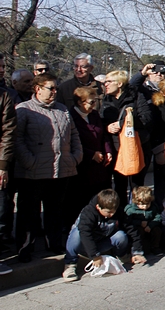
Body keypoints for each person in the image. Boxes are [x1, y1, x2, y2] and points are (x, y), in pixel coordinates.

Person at [15, 72, 83, 261]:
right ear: (38, 89)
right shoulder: (24, 110)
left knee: (54, 210)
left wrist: (75, 157)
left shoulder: (62, 109)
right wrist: (30, 161)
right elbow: (17, 139)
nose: (54, 92)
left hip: (61, 169)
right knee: (28, 213)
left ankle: (54, 243)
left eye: (56, 88)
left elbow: (74, 134)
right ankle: (24, 248)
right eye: (50, 88)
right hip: (33, 172)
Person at [62, 189, 145, 281]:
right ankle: (70, 265)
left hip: (101, 243)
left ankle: (122, 256)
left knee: (121, 236)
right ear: (98, 207)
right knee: (77, 232)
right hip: (84, 245)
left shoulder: (119, 212)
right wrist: (95, 256)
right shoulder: (88, 212)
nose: (112, 214)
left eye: (114, 211)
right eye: (108, 212)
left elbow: (131, 229)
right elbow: (85, 234)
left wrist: (137, 251)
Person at [100, 70, 152, 205]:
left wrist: (124, 123)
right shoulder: (105, 100)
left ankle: (138, 212)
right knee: (119, 185)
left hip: (137, 147)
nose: (105, 84)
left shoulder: (136, 96)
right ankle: (121, 213)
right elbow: (100, 121)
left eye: (109, 81)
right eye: (105, 82)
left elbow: (146, 118)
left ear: (119, 84)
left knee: (137, 186)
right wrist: (107, 127)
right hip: (117, 148)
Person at [69, 86, 113, 222]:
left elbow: (103, 134)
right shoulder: (71, 116)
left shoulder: (94, 115)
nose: (94, 105)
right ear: (80, 102)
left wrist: (108, 151)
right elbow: (72, 141)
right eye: (91, 102)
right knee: (83, 199)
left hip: (99, 165)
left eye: (95, 101)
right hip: (82, 166)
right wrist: (91, 154)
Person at [0, 83, 15, 273]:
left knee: (1, 208)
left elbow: (8, 131)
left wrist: (3, 165)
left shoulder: (4, 96)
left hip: (0, 162)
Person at [123, 186, 163, 256]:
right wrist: (139, 223)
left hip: (150, 225)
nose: (145, 206)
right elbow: (127, 221)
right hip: (137, 227)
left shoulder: (153, 207)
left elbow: (158, 216)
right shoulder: (130, 209)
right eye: (142, 204)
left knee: (157, 230)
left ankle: (155, 247)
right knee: (138, 232)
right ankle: (138, 247)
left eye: (147, 204)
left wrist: (151, 225)